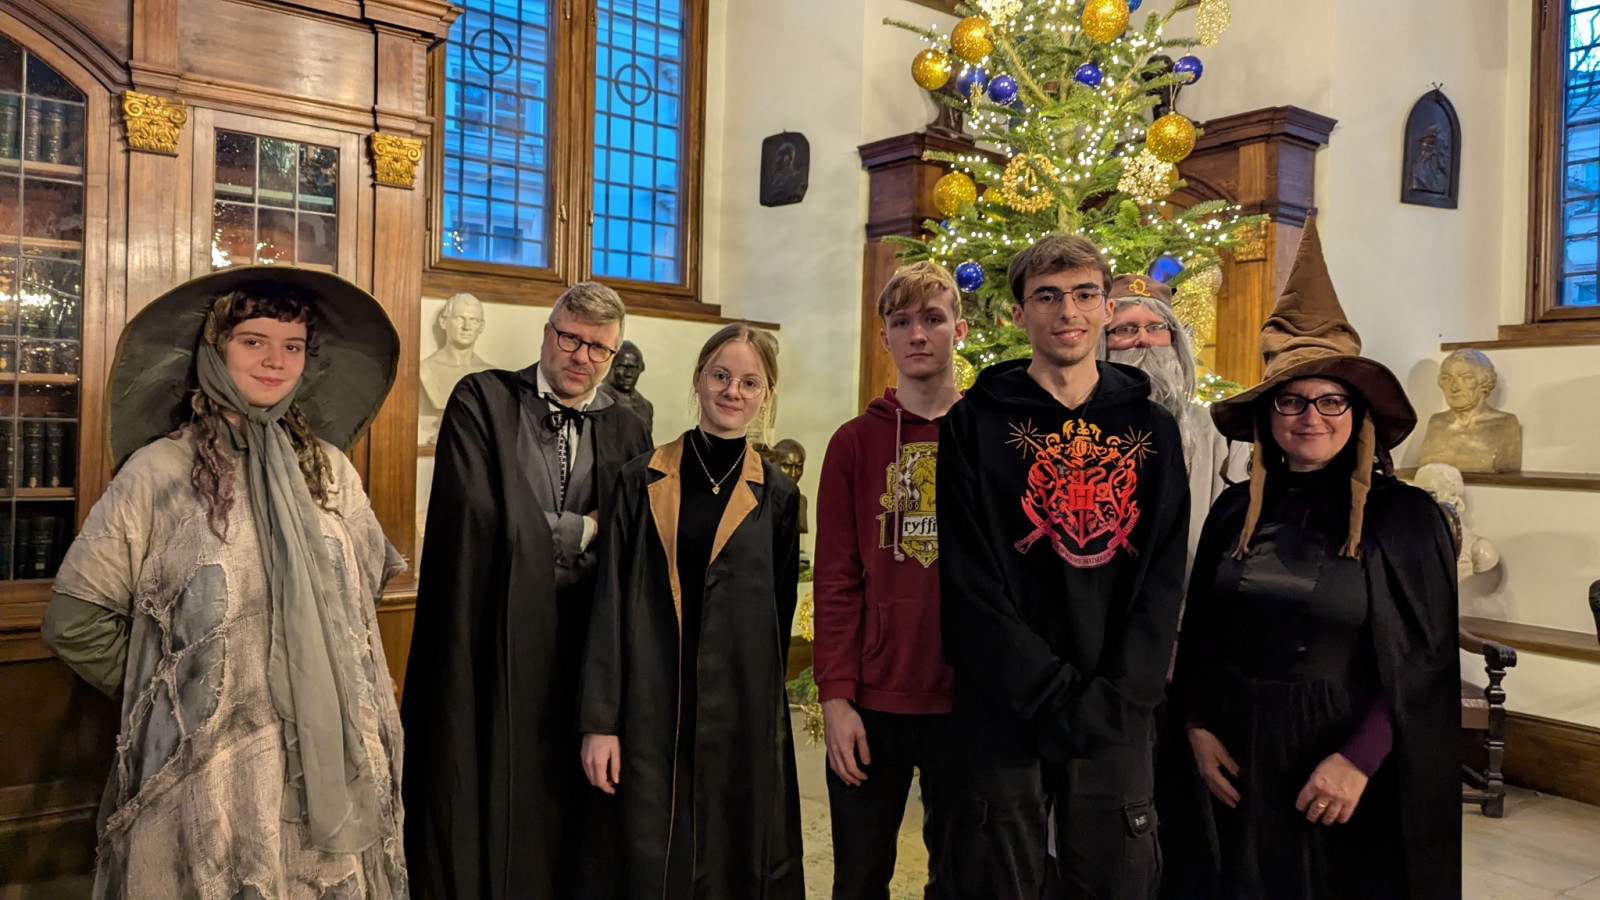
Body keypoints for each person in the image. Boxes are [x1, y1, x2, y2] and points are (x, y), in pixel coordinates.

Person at [41, 266, 407, 899]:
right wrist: (177, 692)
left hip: (330, 755)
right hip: (208, 771)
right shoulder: (158, 473)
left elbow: (361, 592)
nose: (275, 361)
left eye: (293, 346)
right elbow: (74, 621)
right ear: (215, 349)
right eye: (253, 341)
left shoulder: (331, 471)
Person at [1171, 218, 1461, 899]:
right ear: (1267, 414)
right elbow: (1204, 633)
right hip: (1237, 758)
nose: (1311, 417)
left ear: (1358, 414)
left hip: (1348, 768)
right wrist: (1197, 727)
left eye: (1332, 400)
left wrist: (1359, 760)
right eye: (1292, 401)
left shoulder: (1404, 519)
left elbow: (1424, 663)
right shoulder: (1232, 511)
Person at [936, 234, 1190, 899]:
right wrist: (1046, 695)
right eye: (1047, 296)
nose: (1067, 311)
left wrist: (1118, 698)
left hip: (1114, 709)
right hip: (1005, 706)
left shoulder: (1153, 431)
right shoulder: (972, 425)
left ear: (1107, 308)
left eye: (1084, 294)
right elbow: (968, 584)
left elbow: (1161, 580)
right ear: (1018, 314)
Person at [402, 282, 653, 899]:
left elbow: (633, 542)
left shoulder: (628, 430)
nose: (581, 356)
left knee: (572, 808)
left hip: (584, 648)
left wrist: (550, 529)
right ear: (547, 333)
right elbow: (479, 517)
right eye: (570, 338)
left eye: (598, 347)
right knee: (492, 786)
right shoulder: (482, 400)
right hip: (493, 637)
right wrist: (584, 529)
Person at [578, 322, 804, 900]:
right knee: (653, 856)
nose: (733, 391)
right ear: (699, 378)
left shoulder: (779, 496)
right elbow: (609, 603)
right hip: (652, 702)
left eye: (749, 382)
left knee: (732, 855)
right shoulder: (640, 478)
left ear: (766, 395)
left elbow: (778, 615)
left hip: (739, 710)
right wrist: (600, 723)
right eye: (721, 376)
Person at [813, 261, 968, 899]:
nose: (917, 334)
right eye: (901, 322)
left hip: (967, 699)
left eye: (932, 318)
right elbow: (835, 578)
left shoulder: (987, 435)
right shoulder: (853, 443)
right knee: (858, 876)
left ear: (959, 329)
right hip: (873, 700)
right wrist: (835, 697)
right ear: (884, 338)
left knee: (961, 878)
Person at [1102, 274, 1249, 571]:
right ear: (1102, 345)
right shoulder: (1080, 429)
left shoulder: (1220, 433)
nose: (1143, 339)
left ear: (1174, 339)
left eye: (1156, 327)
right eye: (1126, 329)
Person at [418, 292, 494, 444]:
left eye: (473, 320)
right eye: (460, 318)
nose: (467, 327)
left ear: (481, 326)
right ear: (444, 322)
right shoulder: (425, 369)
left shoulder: (489, 374)